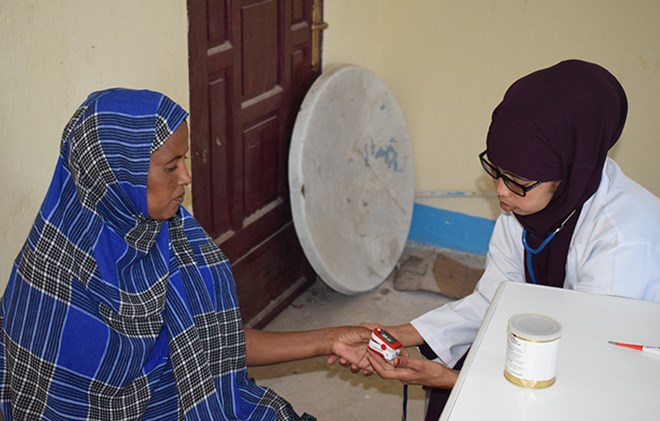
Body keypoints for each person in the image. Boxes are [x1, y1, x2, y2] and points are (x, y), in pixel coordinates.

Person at [0, 88, 372, 420]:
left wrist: (330, 339)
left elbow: (216, 341)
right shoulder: (55, 281)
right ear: (116, 173)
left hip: (194, 398)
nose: (187, 178)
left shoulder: (171, 234)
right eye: (171, 166)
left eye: (185, 160)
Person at [362, 59, 660, 420]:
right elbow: (496, 298)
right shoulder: (526, 203)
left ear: (570, 167)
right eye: (496, 170)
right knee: (461, 375)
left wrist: (454, 380)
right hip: (560, 344)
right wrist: (402, 333)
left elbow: (588, 367)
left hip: (617, 367)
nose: (501, 191)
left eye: (517, 179)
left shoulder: (623, 240)